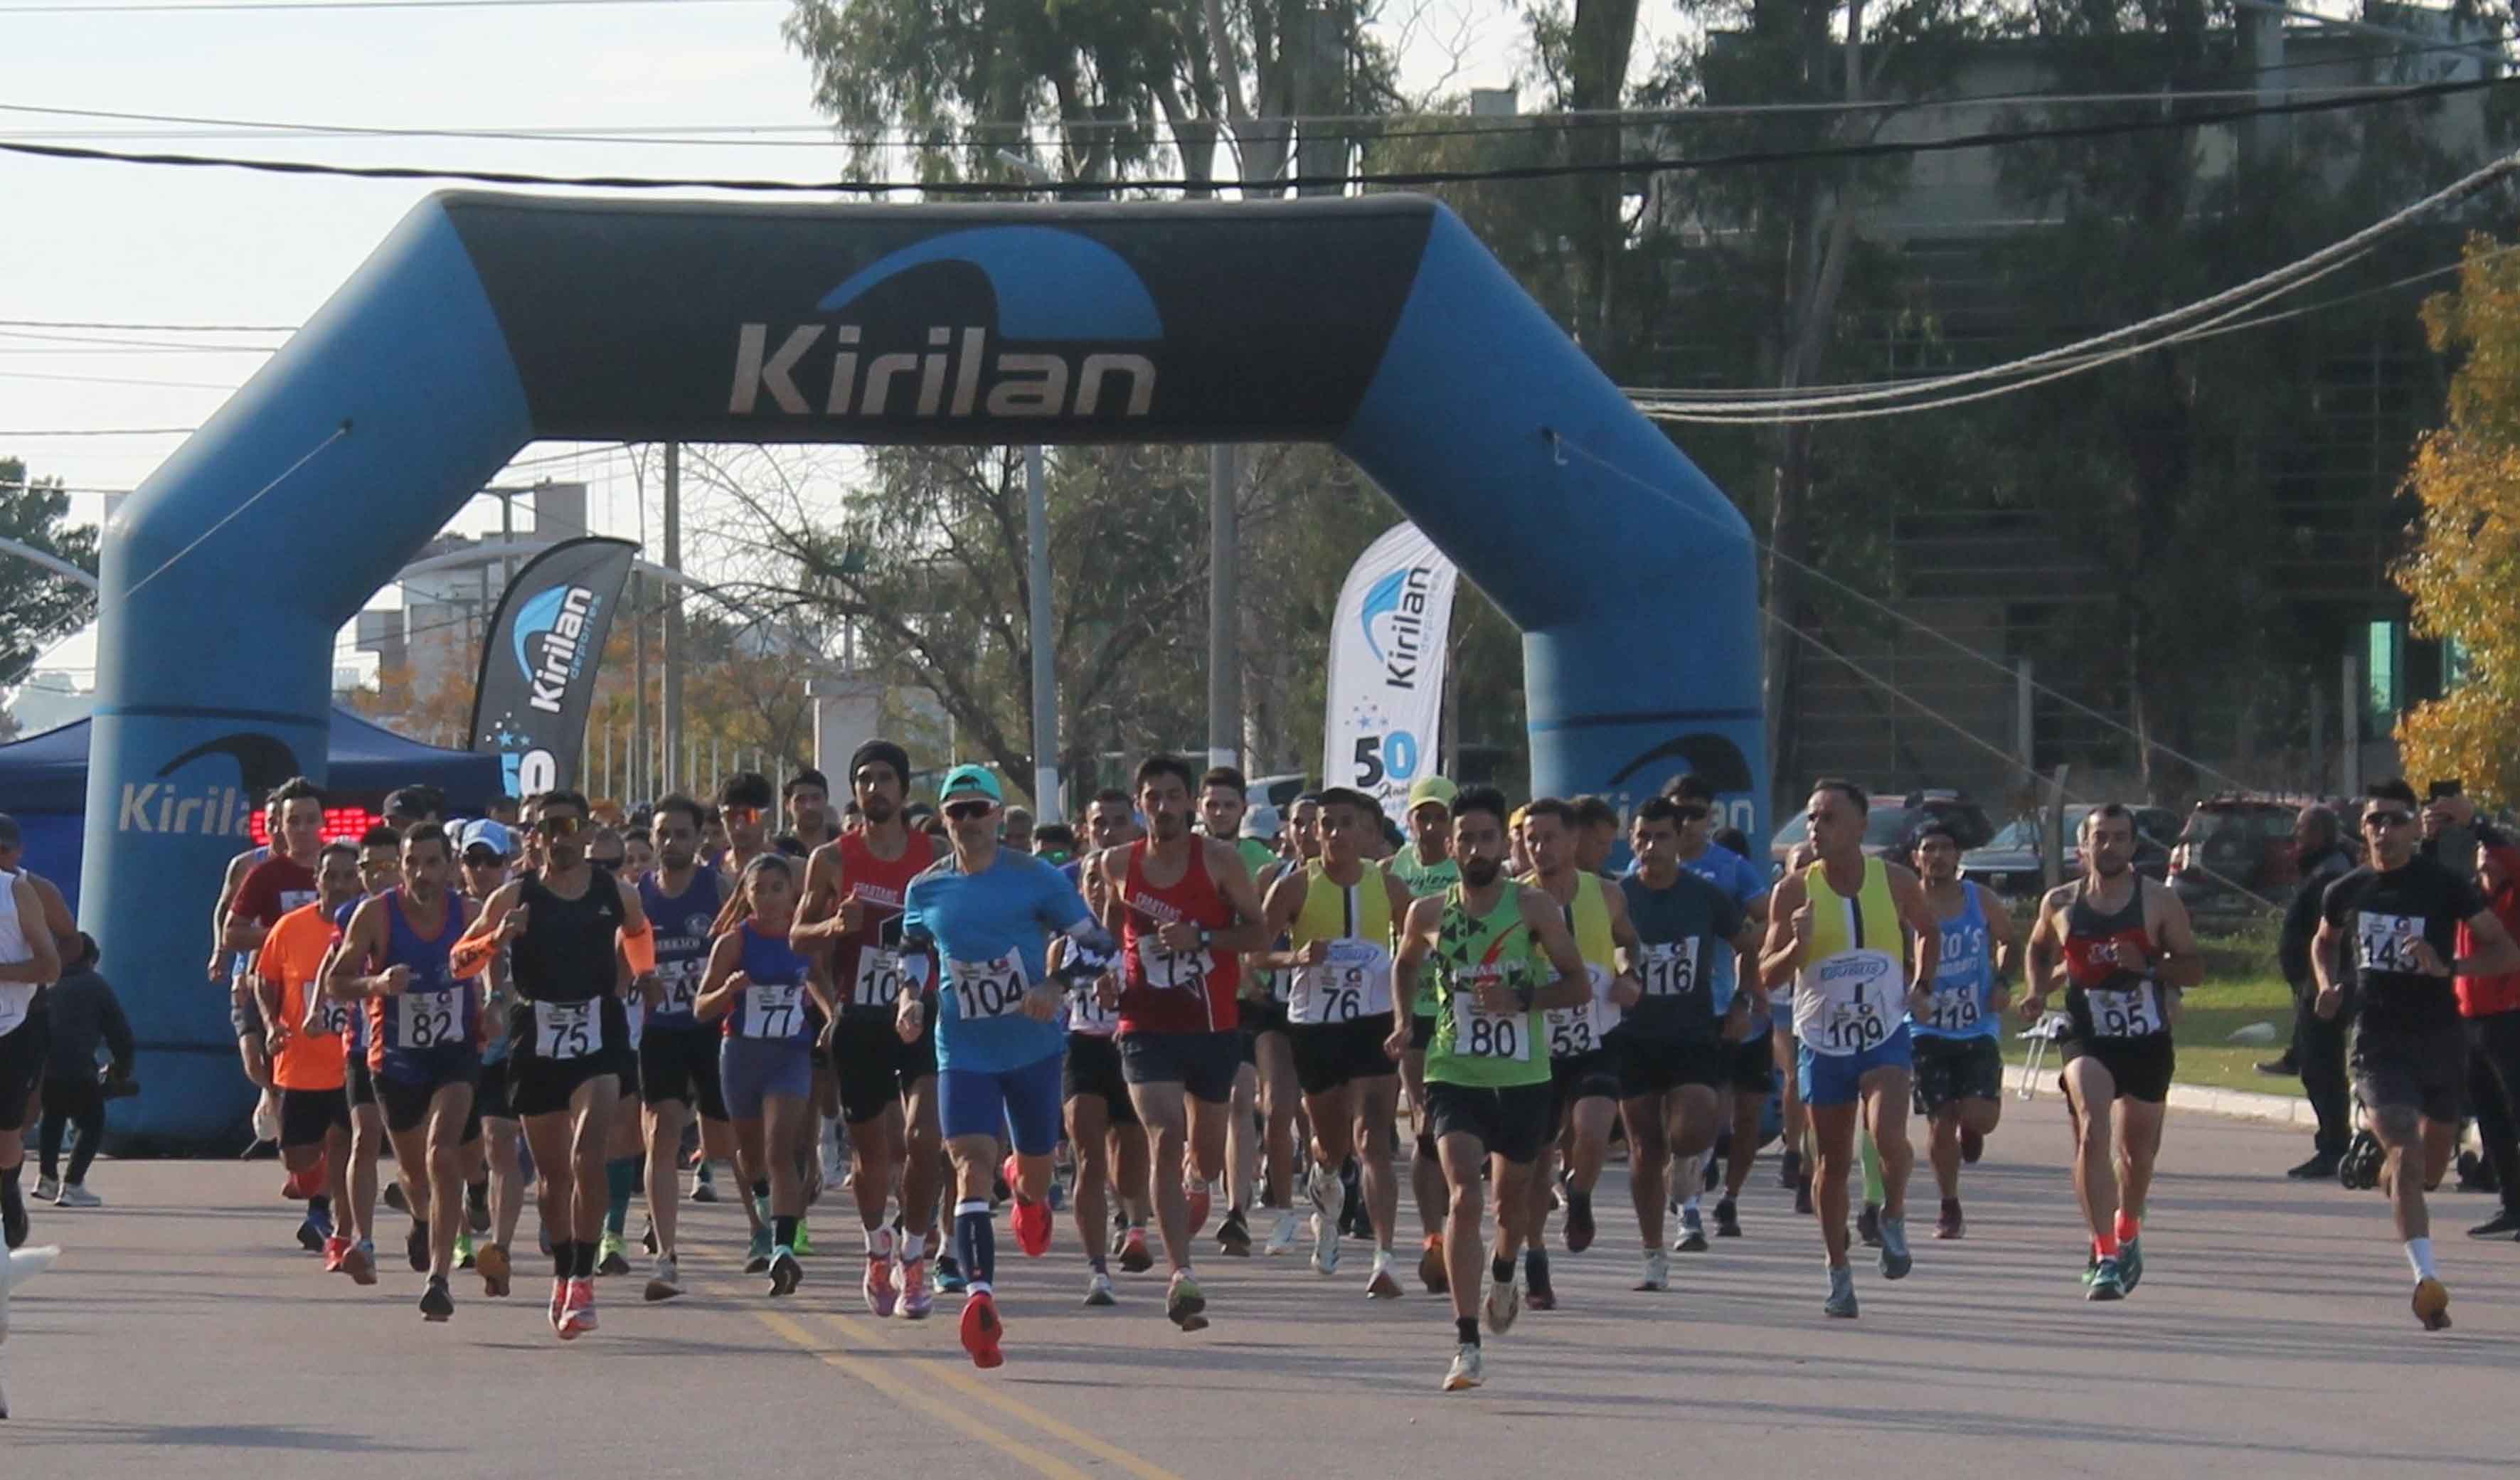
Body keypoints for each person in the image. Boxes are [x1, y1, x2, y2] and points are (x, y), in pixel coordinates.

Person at [900, 763, 1118, 1367]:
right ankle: (980, 1298)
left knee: (1035, 1176)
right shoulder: (926, 888)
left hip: (1032, 1049)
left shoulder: (1036, 878)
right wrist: (908, 998)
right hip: (962, 1050)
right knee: (970, 1165)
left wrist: (1054, 984)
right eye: (957, 811)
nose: (969, 820)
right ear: (943, 820)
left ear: (998, 815)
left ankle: (1029, 1191)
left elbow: (1099, 946)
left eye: (979, 809)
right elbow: (913, 948)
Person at [1389, 785, 1592, 1391]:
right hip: (1454, 1071)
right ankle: (1466, 1341)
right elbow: (1404, 963)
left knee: (1512, 1202)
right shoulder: (1429, 913)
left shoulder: (1532, 908)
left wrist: (1521, 997)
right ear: (1449, 846)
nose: (1475, 848)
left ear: (1504, 843)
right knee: (1464, 1196)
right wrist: (1403, 1022)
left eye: (1486, 837)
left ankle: (1504, 1268)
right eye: (1465, 838)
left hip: (1523, 1074)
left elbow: (1578, 984)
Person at [2312, 779, 2520, 1330]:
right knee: (2406, 1151)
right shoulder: (2346, 889)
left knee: (2425, 1168)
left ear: (2413, 828)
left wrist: (2447, 967)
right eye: (2374, 820)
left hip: (2438, 1037)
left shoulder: (2445, 887)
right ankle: (2425, 1281)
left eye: (2395, 820)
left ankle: (2386, 1167)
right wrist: (2327, 984)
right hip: (2375, 1040)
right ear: (2362, 829)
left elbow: (2505, 952)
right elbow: (2323, 940)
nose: (2384, 830)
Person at [453, 789, 652, 1341]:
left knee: (589, 1155)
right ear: (533, 837)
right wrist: (498, 938)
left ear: (586, 832)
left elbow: (638, 934)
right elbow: (458, 960)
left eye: (566, 826)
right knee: (553, 1174)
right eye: (544, 828)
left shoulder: (616, 891)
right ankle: (563, 1271)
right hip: (536, 1033)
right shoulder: (514, 896)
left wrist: (644, 974)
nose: (556, 837)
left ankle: (583, 1279)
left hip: (598, 1031)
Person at [1085, 755, 1270, 1331]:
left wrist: (1203, 936)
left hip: (1211, 1025)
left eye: (1172, 796)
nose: (1162, 807)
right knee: (1164, 1136)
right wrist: (1107, 975)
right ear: (1139, 804)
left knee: (1206, 1157)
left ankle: (1197, 1178)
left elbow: (1260, 931)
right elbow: (1109, 932)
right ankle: (1181, 1273)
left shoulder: (1218, 860)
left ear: (1189, 802)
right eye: (1152, 797)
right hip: (1144, 1025)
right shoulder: (1118, 863)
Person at [1762, 780, 1940, 1319]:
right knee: (1833, 1161)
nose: (1816, 827)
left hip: (1884, 1031)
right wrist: (1797, 944)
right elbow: (1766, 974)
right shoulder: (1794, 891)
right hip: (1823, 1040)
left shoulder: (1897, 881)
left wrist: (1922, 986)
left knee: (1888, 1135)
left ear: (1860, 826)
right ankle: (1837, 1271)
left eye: (1829, 817)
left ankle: (1893, 1213)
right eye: (1812, 818)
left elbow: (1928, 931)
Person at [2024, 802, 2205, 1302]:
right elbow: (2037, 948)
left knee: (2137, 1156)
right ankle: (2104, 1253)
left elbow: (2193, 968)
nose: (2109, 846)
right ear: (2082, 846)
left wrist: (2148, 964)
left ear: (2133, 845)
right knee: (2092, 1127)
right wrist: (2036, 990)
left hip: (2146, 1038)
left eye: (2119, 837)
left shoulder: (2159, 901)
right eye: (2099, 837)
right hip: (2087, 1034)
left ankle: (2127, 1230)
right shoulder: (2060, 902)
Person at [795, 740, 946, 1320]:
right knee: (872, 1154)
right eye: (864, 779)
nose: (874, 788)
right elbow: (798, 937)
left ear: (903, 788)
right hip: (860, 1014)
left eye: (884, 778)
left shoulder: (935, 855)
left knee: (924, 1138)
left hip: (923, 1010)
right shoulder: (832, 858)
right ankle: (876, 1245)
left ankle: (914, 1253)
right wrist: (834, 925)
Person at [1253, 787, 1416, 1295]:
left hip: (1373, 1022)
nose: (1337, 833)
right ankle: (1324, 1189)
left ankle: (1384, 1257)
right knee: (1332, 1145)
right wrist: (1295, 958)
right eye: (1328, 823)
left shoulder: (1388, 885)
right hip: (1315, 1026)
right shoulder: (1294, 887)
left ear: (1367, 832)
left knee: (1374, 1140)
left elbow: (1416, 946)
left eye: (1348, 823)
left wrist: (1406, 1011)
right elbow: (1254, 953)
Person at [331, 823, 482, 1322]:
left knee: (443, 1154)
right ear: (400, 865)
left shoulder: (468, 914)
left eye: (432, 862)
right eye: (412, 862)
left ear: (450, 865)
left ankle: (438, 1278)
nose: (422, 873)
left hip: (454, 1053)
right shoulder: (376, 914)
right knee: (416, 1173)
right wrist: (376, 983)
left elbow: (497, 967)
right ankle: (420, 1217)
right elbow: (336, 981)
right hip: (395, 1059)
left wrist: (497, 1002)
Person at [1612, 797, 1758, 1290]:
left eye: (1661, 837)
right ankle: (1653, 1252)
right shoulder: (1618, 895)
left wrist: (1742, 1001)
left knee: (1694, 1125)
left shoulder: (1704, 895)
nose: (1651, 846)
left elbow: (1747, 946)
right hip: (1634, 1035)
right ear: (1631, 840)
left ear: (1679, 841)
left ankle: (1688, 1163)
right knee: (1643, 1147)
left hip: (1692, 1030)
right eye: (1643, 837)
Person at [1516, 798, 1642, 1309]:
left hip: (1597, 1037)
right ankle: (1535, 1256)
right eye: (1531, 839)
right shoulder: (1515, 901)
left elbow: (1628, 942)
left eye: (1549, 837)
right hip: (1536, 1046)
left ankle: (1581, 1192)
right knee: (1534, 1161)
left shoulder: (1607, 894)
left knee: (1592, 1130)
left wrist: (1628, 973)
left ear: (1573, 841)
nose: (1539, 847)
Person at [697, 853, 832, 1296]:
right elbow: (701, 1008)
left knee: (780, 1150)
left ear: (792, 893)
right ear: (747, 895)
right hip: (742, 1055)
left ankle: (784, 1248)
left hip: (790, 1054)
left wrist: (832, 1015)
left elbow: (817, 979)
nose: (771, 898)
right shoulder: (733, 943)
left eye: (779, 889)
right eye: (760, 890)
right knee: (751, 1154)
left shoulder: (801, 938)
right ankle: (760, 1210)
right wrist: (727, 990)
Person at [635, 796, 740, 1301]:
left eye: (681, 833)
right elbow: (619, 959)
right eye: (663, 833)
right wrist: (639, 980)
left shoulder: (716, 889)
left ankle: (765, 1230)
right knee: (662, 1132)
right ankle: (666, 1253)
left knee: (728, 1140)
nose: (671, 842)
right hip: (660, 1029)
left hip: (712, 1026)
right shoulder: (637, 895)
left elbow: (744, 943)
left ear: (700, 839)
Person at [1668, 794, 1774, 1243]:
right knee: (1697, 1111)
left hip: (1727, 1002)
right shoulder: (1647, 869)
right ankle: (1690, 1197)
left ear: (1710, 817)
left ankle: (1726, 1195)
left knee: (1740, 1114)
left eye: (1696, 814)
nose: (1687, 823)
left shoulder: (1732, 869)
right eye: (1678, 815)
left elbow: (1767, 922)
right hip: (1675, 1011)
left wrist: (1748, 987)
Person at [1908, 826, 2016, 1240]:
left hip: (1976, 1024)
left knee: (1980, 1116)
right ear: (1916, 858)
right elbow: (1891, 953)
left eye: (1945, 848)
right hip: (1926, 1028)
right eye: (1929, 849)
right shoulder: (1907, 904)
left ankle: (1972, 1128)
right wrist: (1910, 988)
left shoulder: (1980, 899)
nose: (1937, 856)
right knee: (1941, 1119)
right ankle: (1949, 1205)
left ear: (1957, 857)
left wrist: (2002, 982)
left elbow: (2009, 941)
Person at [257, 842, 361, 1264]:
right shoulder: (290, 927)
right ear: (316, 880)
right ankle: (316, 1192)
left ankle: (325, 1216)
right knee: (297, 1157)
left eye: (347, 876)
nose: (339, 885)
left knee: (342, 1141)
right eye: (330, 876)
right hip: (299, 1062)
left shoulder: (368, 925)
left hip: (351, 1060)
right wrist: (272, 1024)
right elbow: (264, 979)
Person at [1197, 765, 1280, 1257]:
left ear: (1243, 810)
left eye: (1229, 805)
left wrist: (1256, 967)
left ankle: (1236, 1211)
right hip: (1190, 994)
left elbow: (1268, 926)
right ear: (1199, 808)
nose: (1221, 813)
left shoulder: (1261, 861)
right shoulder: (1182, 856)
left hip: (1245, 997)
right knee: (1194, 1102)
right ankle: (1195, 1173)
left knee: (1241, 1096)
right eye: (1213, 805)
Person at [1384, 777, 1460, 1289]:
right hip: (1415, 1009)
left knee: (1460, 1129)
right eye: (1422, 816)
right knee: (1426, 1126)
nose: (1430, 827)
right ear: (1409, 820)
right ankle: (1434, 1237)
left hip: (1464, 1011)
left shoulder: (1466, 870)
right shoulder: (1392, 870)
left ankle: (1460, 1219)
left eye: (1439, 817)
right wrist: (1399, 1017)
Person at [222, 781, 327, 1143]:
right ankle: (272, 1093)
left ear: (322, 822)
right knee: (256, 1060)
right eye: (293, 821)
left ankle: (307, 1140)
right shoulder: (264, 875)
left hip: (325, 989)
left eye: (310, 820)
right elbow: (232, 933)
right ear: (280, 826)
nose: (302, 829)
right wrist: (283, 934)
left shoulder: (340, 870)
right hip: (272, 985)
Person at [456, 820, 523, 1297]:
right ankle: (463, 1221)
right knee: (452, 1150)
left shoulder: (525, 907)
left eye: (491, 861)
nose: (482, 870)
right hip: (456, 1042)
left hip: (510, 1043)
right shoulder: (448, 911)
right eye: (473, 860)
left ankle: (499, 1248)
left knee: (501, 1141)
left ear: (507, 864)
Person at [2278, 805, 2357, 1179]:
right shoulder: (2319, 868)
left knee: (2323, 1067)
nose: (2297, 835)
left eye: (2304, 829)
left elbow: (2333, 934)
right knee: (2314, 1064)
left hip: (2328, 984)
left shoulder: (2332, 873)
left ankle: (2335, 1146)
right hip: (2312, 984)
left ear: (2322, 833)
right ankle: (2332, 1142)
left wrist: (2328, 981)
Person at [35, 933, 128, 1211]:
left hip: (45, 1067)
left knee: (52, 1119)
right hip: (79, 1068)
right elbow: (118, 1031)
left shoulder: (47, 984)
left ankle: (47, 1178)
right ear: (91, 959)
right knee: (92, 1123)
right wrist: (122, 1068)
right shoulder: (96, 986)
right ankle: (73, 1185)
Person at [2460, 825, 2520, 1240]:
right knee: (2492, 1118)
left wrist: (2473, 822)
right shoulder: (2466, 898)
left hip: (2510, 1017)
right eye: (2479, 848)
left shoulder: (2514, 894)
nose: (2485, 854)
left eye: (2492, 849)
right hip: (2470, 1019)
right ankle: (2511, 1205)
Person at [0, 858, 62, 1249]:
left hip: (10, 1027)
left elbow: (50, 967)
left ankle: (7, 1189)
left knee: (6, 1138)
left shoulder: (15, 891)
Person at [777, 768, 835, 858]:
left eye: (816, 798)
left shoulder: (845, 846)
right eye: (801, 800)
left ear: (826, 800)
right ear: (787, 804)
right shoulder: (777, 851)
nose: (809, 807)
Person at [1570, 795, 1622, 877]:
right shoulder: (1549, 881)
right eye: (1601, 843)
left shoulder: (1610, 883)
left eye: (1610, 843)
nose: (1608, 852)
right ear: (1574, 838)